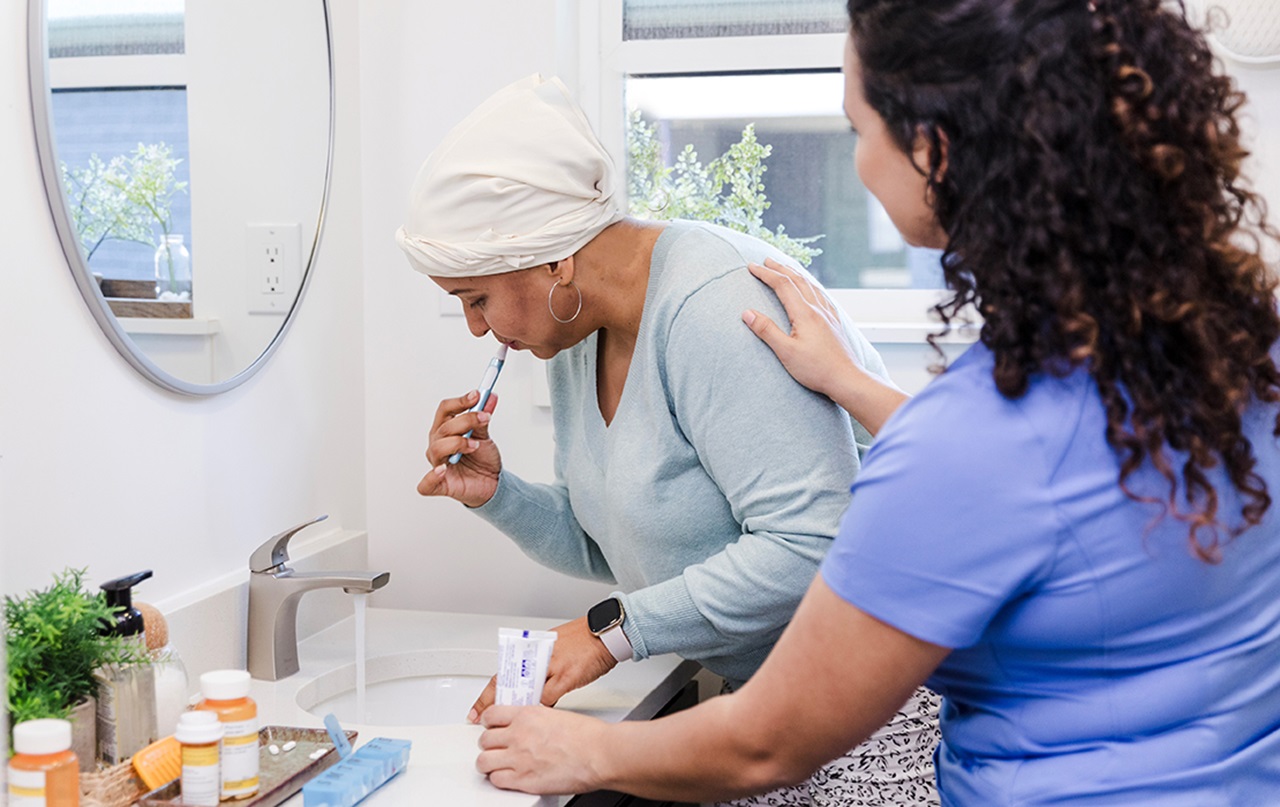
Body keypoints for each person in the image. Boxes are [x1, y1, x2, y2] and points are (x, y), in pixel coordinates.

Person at [472, 1, 1280, 804]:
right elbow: (1051, 485)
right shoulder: (1235, 347)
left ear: (933, 148)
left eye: (858, 129)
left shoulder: (971, 442)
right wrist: (857, 387)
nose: (858, 161)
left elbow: (767, 744)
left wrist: (586, 751)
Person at [396, 74, 940, 804]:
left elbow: (813, 544)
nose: (476, 328)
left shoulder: (718, 308)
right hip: (769, 707)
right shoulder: (577, 332)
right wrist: (497, 494)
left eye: (477, 298)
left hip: (878, 714)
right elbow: (620, 543)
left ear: (555, 258)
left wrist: (607, 631)